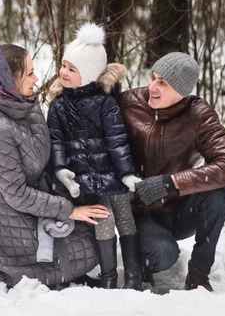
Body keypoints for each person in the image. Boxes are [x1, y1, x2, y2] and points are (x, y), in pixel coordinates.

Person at [0, 44, 109, 289]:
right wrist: (68, 210)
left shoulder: (25, 103)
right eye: (29, 73)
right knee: (62, 260)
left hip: (42, 193)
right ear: (9, 81)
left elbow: (47, 151)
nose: (37, 78)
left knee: (93, 240)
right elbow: (16, 194)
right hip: (13, 211)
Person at [119, 52, 225, 292]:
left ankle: (198, 277)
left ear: (183, 91)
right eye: (153, 78)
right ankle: (144, 259)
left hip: (179, 210)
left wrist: (172, 182)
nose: (152, 87)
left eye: (163, 83)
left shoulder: (198, 115)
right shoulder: (128, 104)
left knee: (216, 195)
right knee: (162, 255)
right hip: (140, 213)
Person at [47, 23, 143, 290]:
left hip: (112, 173)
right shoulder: (57, 106)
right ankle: (109, 277)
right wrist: (61, 170)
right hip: (86, 179)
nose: (63, 72)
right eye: (63, 65)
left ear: (88, 75)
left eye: (72, 69)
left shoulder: (105, 103)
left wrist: (126, 173)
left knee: (125, 217)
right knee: (105, 219)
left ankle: (134, 276)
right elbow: (56, 143)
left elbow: (117, 141)